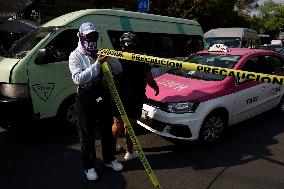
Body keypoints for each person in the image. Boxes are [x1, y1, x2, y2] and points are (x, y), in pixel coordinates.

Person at [68, 22, 123, 181]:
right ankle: (89, 166)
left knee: (106, 130)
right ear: (80, 36)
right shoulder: (75, 55)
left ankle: (109, 159)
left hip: (103, 96)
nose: (92, 39)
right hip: (85, 98)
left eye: (94, 36)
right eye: (88, 36)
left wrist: (110, 57)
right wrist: (98, 64)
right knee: (87, 134)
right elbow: (78, 78)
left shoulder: (100, 51)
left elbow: (119, 70)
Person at [112, 32, 159, 161]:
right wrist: (156, 87)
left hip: (118, 94)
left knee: (117, 122)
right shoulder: (142, 58)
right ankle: (130, 152)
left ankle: (112, 148)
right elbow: (149, 79)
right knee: (130, 125)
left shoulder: (115, 56)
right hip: (135, 95)